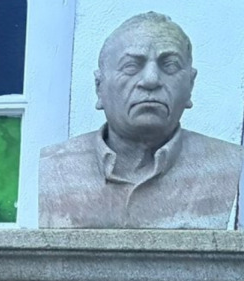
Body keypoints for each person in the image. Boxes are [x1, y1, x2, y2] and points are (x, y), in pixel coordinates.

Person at [38, 12, 244, 229]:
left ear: (190, 86)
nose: (151, 80)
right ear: (99, 87)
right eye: (131, 66)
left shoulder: (223, 163)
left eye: (170, 66)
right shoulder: (57, 164)